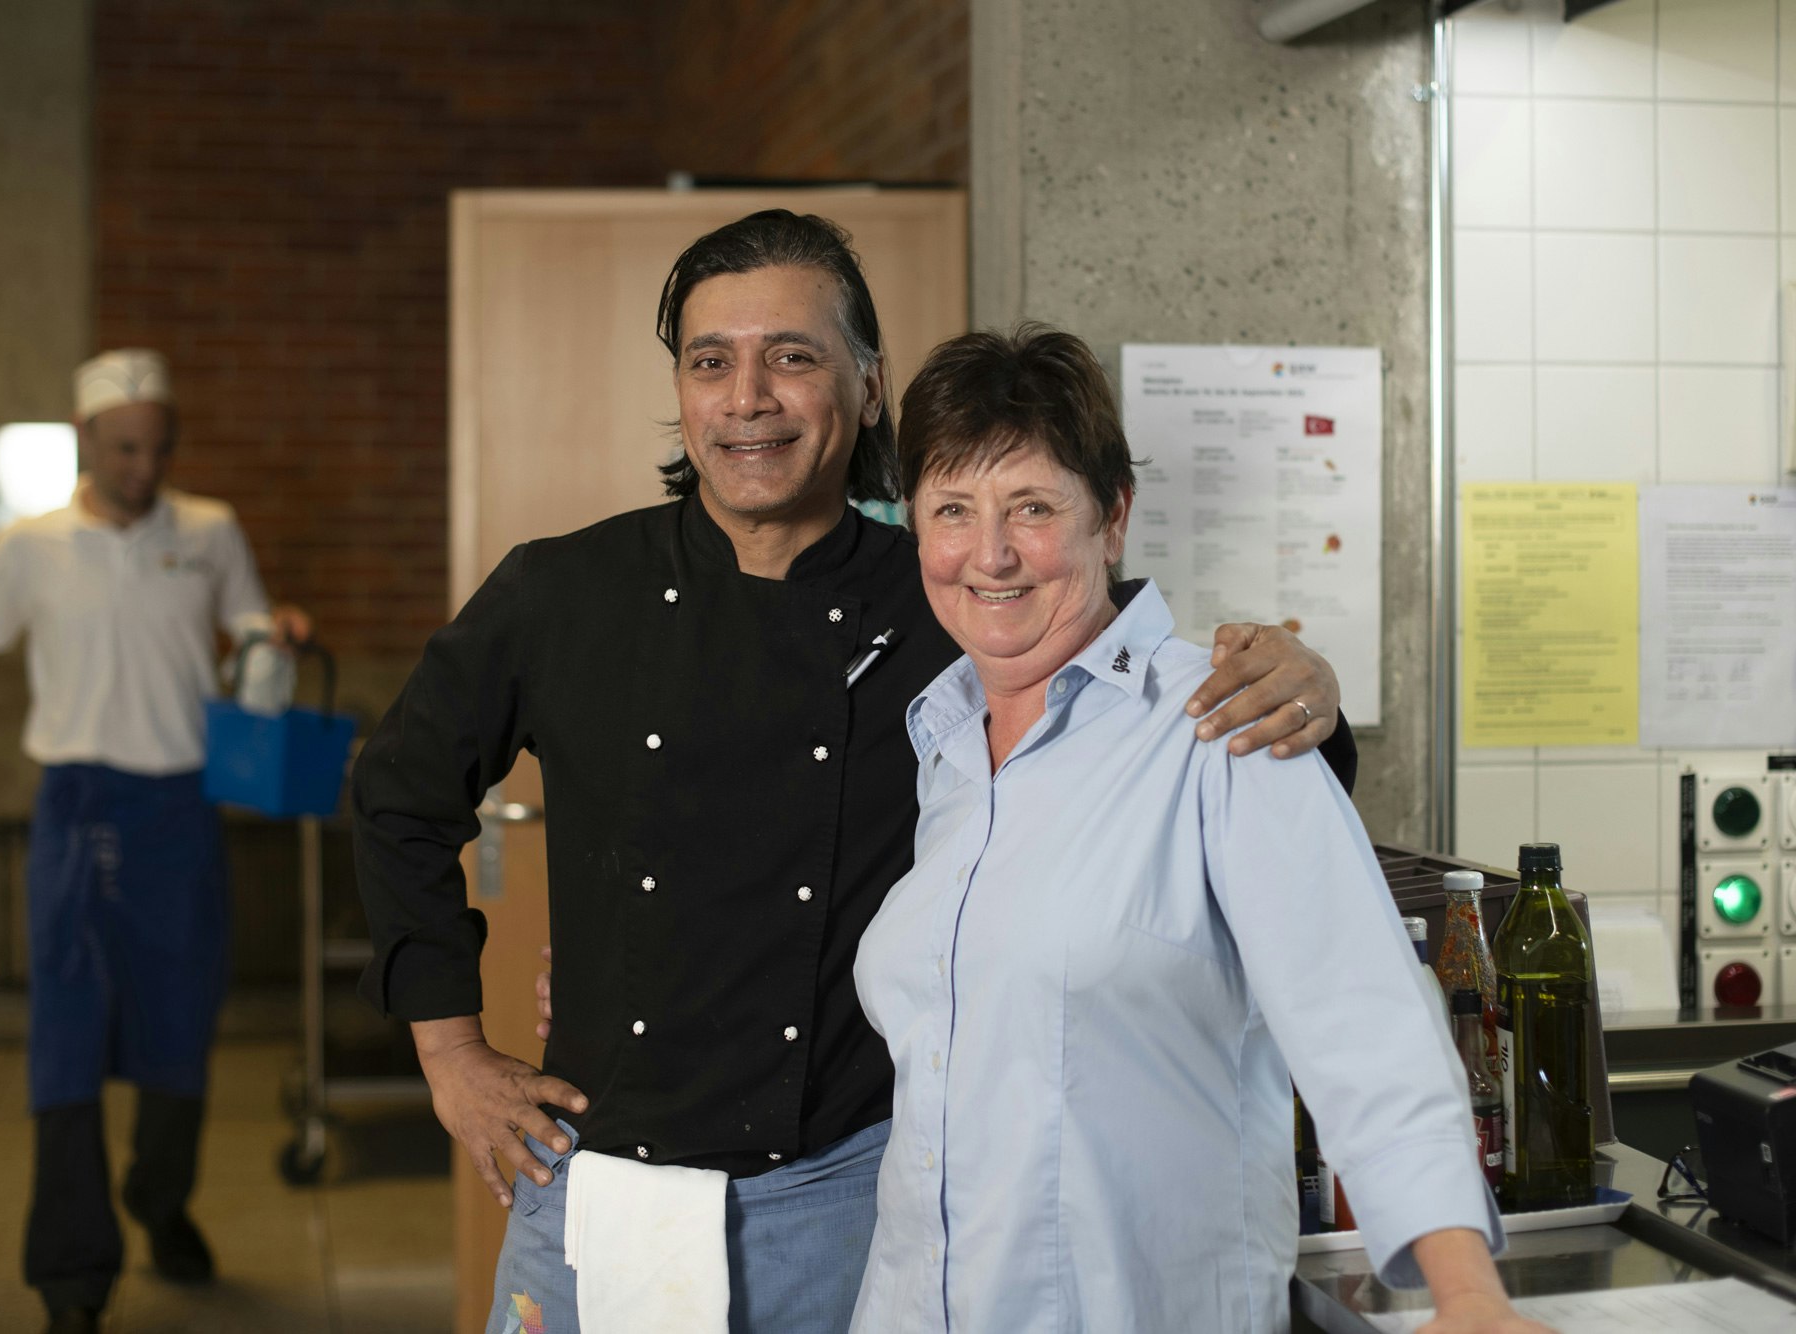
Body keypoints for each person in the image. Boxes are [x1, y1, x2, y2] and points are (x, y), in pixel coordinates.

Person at [351, 210, 1354, 1334]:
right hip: (594, 1191)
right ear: (680, 389)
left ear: (868, 386)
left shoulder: (949, 597)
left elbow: (1155, 701)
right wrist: (450, 1053)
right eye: (709, 360)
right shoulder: (562, 591)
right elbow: (396, 790)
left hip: (846, 1198)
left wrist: (1304, 684)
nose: (748, 398)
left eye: (792, 356)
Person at [849, 325, 1542, 1333]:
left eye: (1031, 507)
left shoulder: (1220, 718)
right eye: (952, 509)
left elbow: (1362, 1019)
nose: (988, 553)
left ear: (1112, 514)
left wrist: (1466, 1297)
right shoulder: (944, 749)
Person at [0, 349, 312, 1334]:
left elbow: (252, 634)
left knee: (179, 1024)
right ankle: (73, 1275)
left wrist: (276, 628)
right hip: (74, 810)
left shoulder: (209, 531)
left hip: (178, 810)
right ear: (84, 438)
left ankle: (159, 1199)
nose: (142, 467)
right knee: (66, 1038)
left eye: (159, 448)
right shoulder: (29, 545)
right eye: (124, 448)